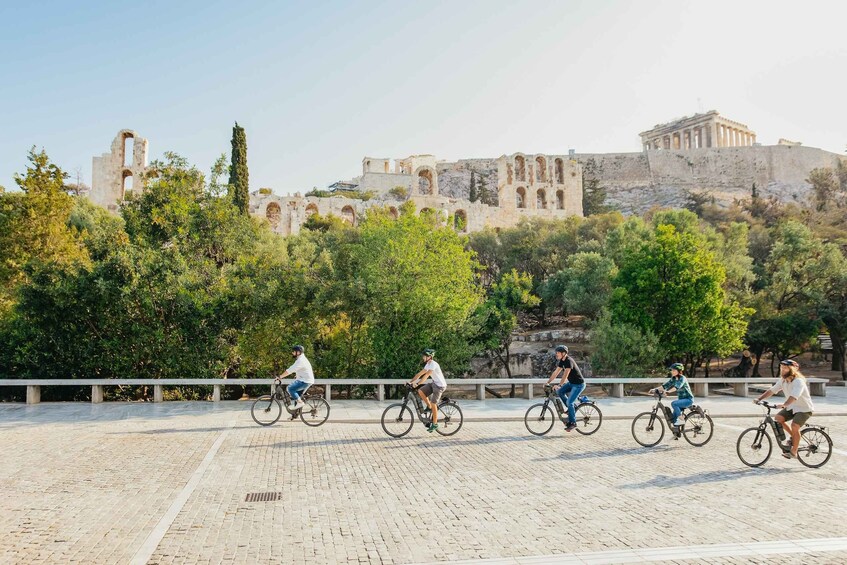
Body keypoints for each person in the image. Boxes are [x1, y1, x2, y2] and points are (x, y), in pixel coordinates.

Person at [754, 359, 814, 459]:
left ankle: (794, 451)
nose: (783, 370)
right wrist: (759, 399)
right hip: (792, 407)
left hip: (804, 409)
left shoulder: (799, 381)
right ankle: (794, 437)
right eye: (782, 368)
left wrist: (784, 404)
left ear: (792, 370)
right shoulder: (783, 380)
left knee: (795, 425)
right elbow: (772, 391)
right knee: (778, 418)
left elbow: (795, 396)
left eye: (785, 368)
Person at [546, 345, 584, 432]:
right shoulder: (562, 361)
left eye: (558, 352)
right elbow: (556, 372)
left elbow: (565, 375)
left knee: (569, 402)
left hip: (578, 385)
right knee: (559, 392)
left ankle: (573, 423)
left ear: (563, 353)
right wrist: (548, 382)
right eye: (556, 352)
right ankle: (571, 409)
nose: (556, 354)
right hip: (571, 383)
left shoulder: (569, 361)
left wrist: (559, 385)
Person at [409, 349, 446, 433]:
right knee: (421, 391)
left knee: (434, 403)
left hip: (440, 386)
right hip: (434, 383)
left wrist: (417, 384)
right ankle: (429, 406)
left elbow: (426, 375)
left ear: (429, 357)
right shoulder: (428, 365)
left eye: (424, 356)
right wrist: (410, 382)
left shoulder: (433, 364)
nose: (423, 357)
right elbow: (419, 374)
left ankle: (435, 424)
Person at [650, 363, 694, 428]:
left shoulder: (682, 378)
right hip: (681, 401)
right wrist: (654, 389)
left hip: (688, 400)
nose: (672, 372)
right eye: (671, 370)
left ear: (679, 371)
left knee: (674, 403)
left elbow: (677, 387)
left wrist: (668, 391)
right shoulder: (673, 379)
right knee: (673, 420)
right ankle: (676, 434)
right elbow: (665, 386)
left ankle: (681, 419)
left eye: (674, 370)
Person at [275, 345, 314, 411]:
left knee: (290, 388)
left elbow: (290, 370)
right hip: (305, 380)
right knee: (296, 396)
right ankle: (295, 415)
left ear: (298, 352)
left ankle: (300, 402)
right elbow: (301, 370)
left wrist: (280, 377)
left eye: (293, 351)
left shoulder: (301, 360)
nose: (292, 353)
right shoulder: (301, 359)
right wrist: (297, 375)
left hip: (305, 381)